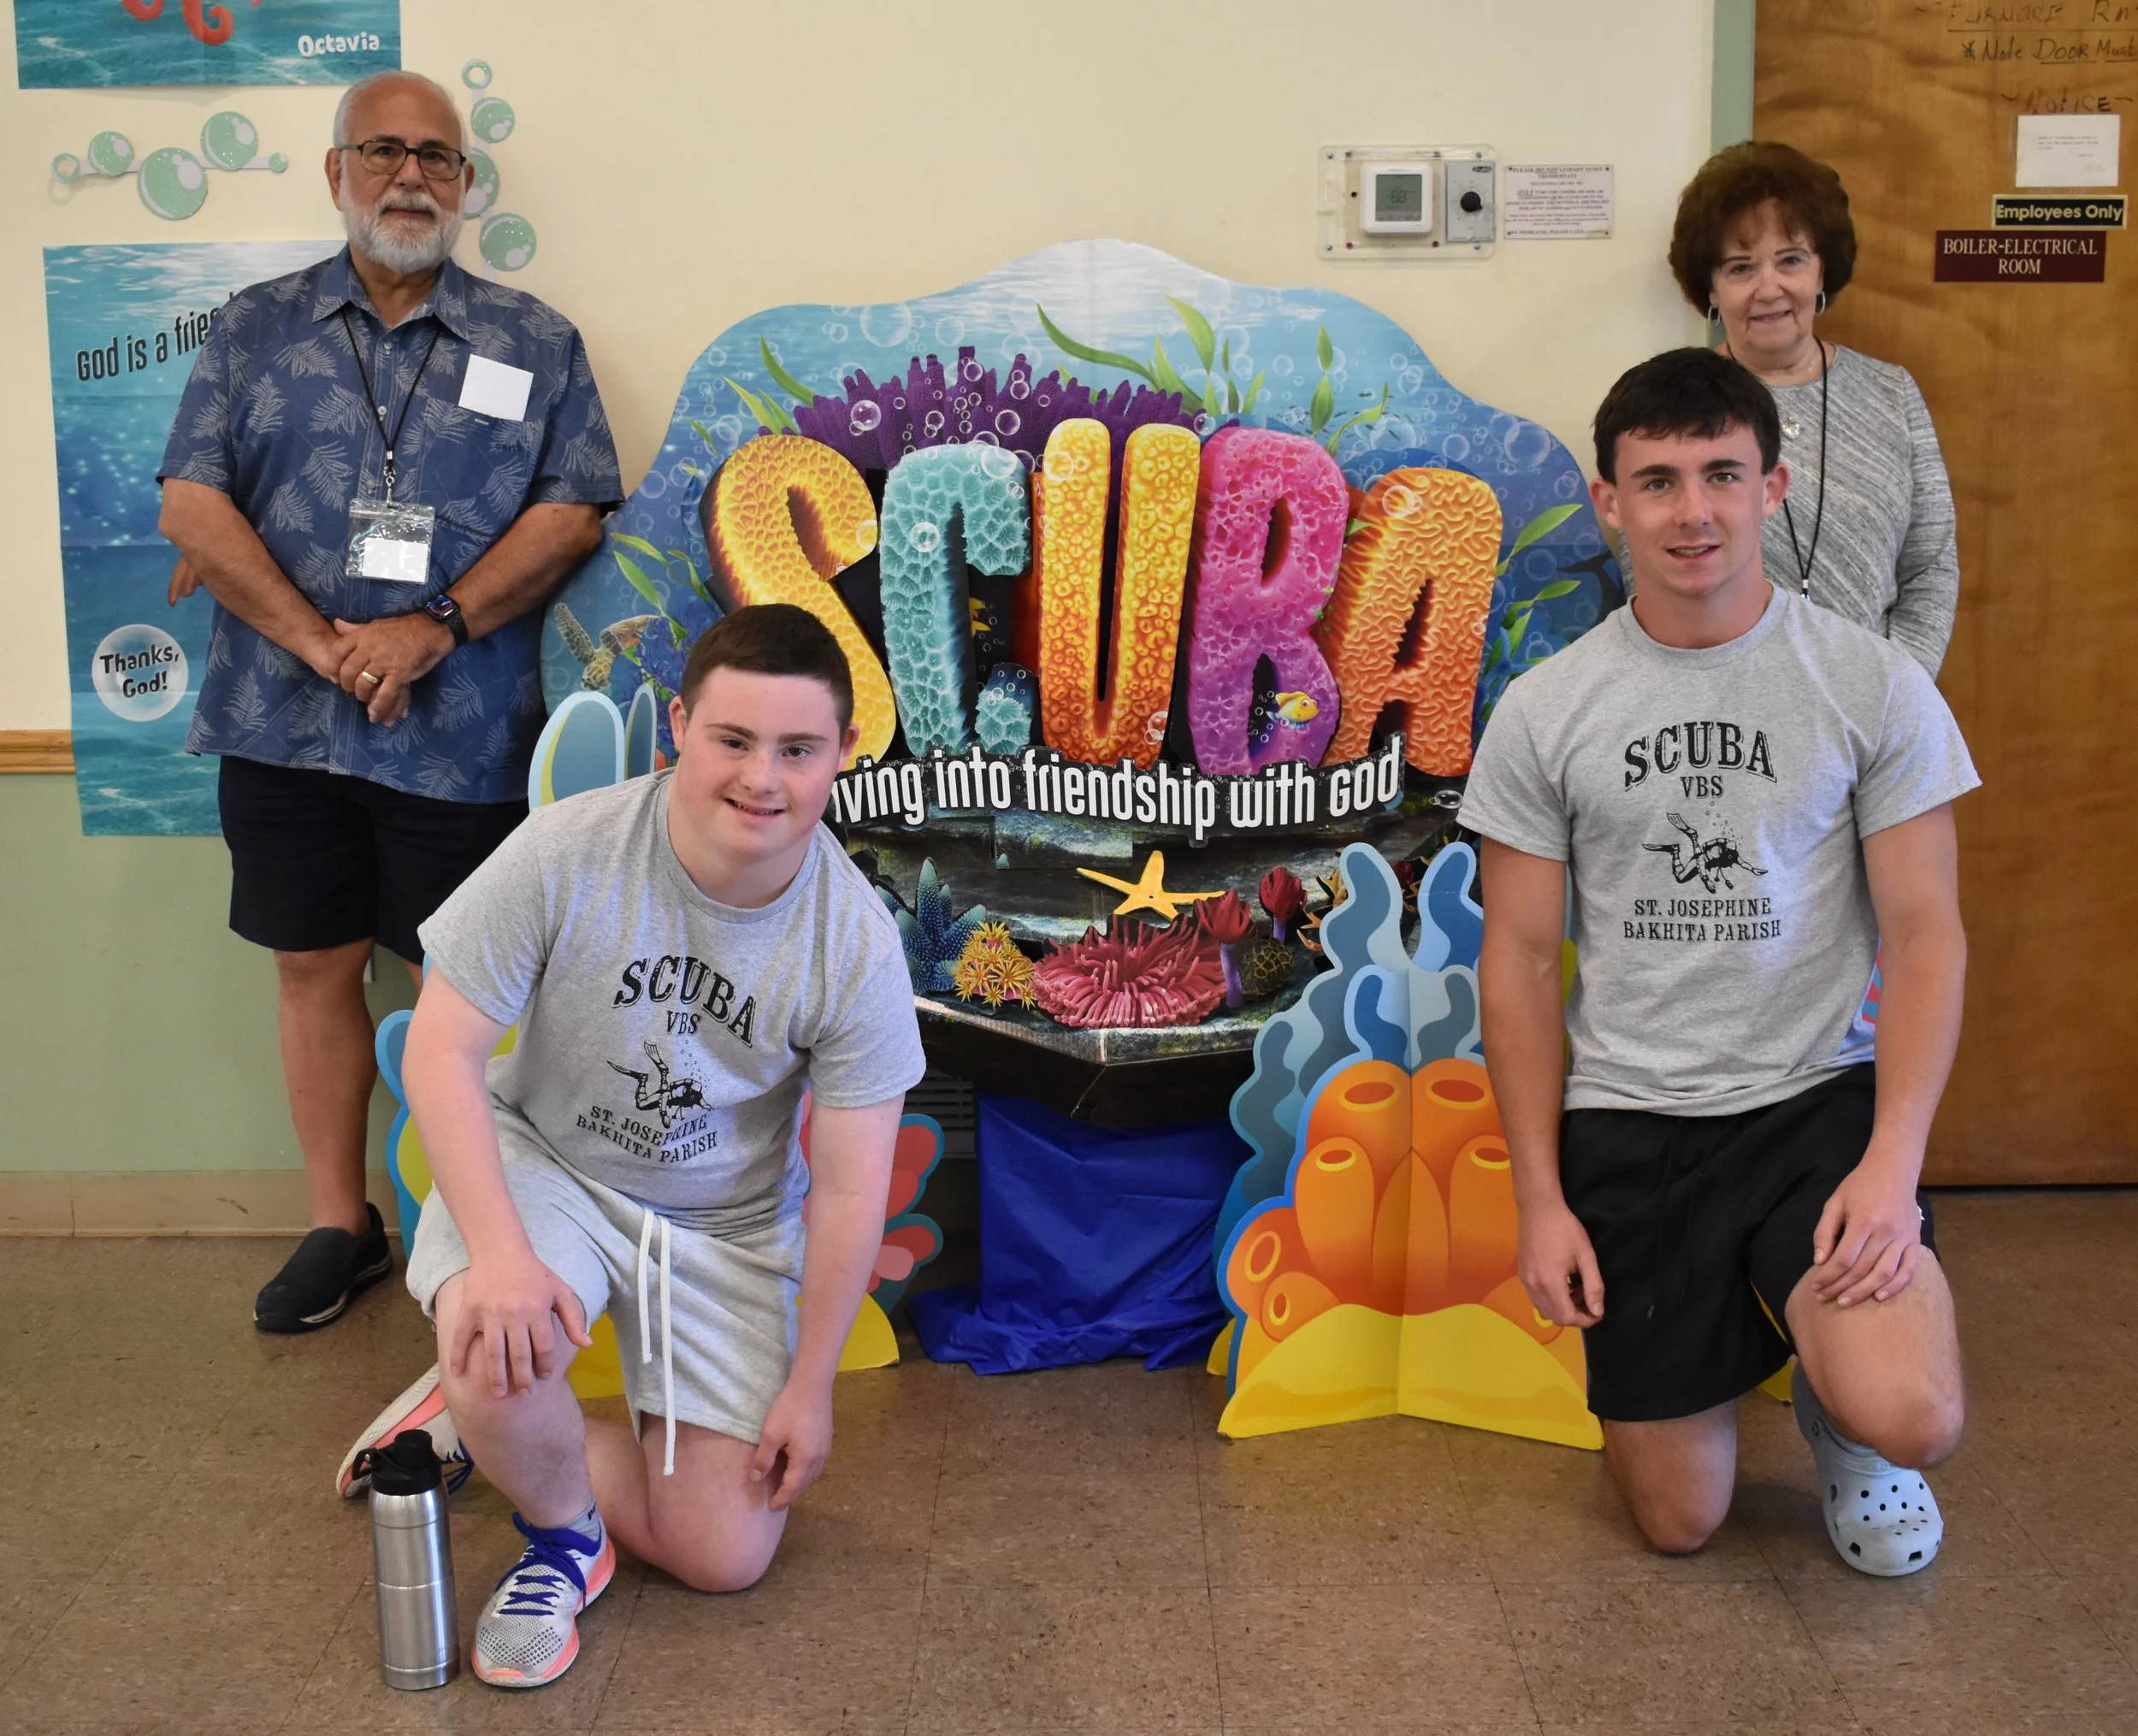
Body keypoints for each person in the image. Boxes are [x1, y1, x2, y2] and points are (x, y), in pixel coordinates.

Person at [340, 605, 925, 1689]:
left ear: (843, 753)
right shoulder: (568, 850)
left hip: (723, 1221)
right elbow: (440, 1051)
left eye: (798, 749)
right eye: (733, 739)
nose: (762, 777)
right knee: (496, 1331)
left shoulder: (855, 942)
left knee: (722, 1555)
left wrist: (813, 1385)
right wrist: (501, 1261)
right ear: (680, 727)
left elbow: (849, 1188)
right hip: (554, 1161)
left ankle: (481, 1420)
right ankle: (562, 1534)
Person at [1460, 348, 1976, 1576]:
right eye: (1657, 480)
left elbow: (1926, 933)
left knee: (1913, 1411)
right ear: (1610, 501)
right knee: (1680, 1520)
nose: (1692, 510)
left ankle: (1847, 1410)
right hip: (1633, 1118)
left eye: (1722, 474)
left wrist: (1893, 1166)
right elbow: (1520, 962)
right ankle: (1764, 1334)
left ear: (1772, 486)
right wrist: (1540, 1199)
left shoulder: (1871, 683)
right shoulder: (1546, 709)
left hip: (1815, 1102)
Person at [157, 69, 621, 1332]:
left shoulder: (535, 341)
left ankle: (470, 1227)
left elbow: (575, 511)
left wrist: (432, 629)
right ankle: (338, 1223)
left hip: (462, 730)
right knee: (312, 962)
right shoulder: (252, 328)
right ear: (336, 171)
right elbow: (192, 503)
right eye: (383, 151)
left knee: (457, 984)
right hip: (279, 718)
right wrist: (320, 644)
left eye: (437, 156)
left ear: (464, 183)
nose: (411, 175)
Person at [1669, 140, 1959, 676]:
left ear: (1822, 271)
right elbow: (1655, 578)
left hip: (1878, 698)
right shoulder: (1672, 405)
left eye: (1791, 260)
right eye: (1740, 268)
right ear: (1710, 288)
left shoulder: (1891, 392)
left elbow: (1931, 565)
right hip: (1728, 704)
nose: (1769, 289)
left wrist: (1899, 689)